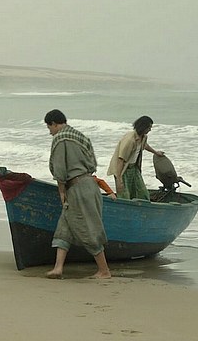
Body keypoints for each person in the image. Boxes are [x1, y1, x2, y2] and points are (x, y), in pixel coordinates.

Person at [43, 109, 111, 279]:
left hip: (77, 189)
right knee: (64, 228)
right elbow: (93, 164)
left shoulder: (60, 138)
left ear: (54, 124)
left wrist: (61, 191)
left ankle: (104, 271)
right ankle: (58, 268)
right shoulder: (81, 137)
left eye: (49, 127)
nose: (50, 132)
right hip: (90, 185)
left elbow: (60, 169)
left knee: (88, 228)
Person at [107, 115, 164, 200]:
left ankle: (142, 206)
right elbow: (121, 159)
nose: (150, 130)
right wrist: (119, 179)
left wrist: (156, 152)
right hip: (122, 169)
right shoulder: (130, 140)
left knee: (142, 193)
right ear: (143, 127)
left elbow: (144, 145)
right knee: (124, 196)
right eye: (149, 127)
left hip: (134, 168)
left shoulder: (143, 137)